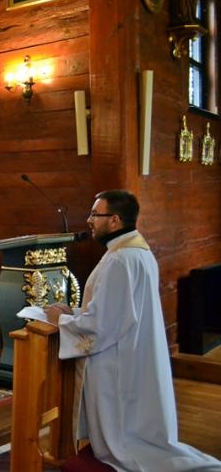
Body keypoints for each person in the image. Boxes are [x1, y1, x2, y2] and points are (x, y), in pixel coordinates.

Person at [44, 190, 221, 471]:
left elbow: (102, 325)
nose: (89, 220)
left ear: (114, 220)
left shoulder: (119, 260)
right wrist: (75, 313)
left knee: (123, 442)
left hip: (116, 360)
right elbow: (117, 310)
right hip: (133, 350)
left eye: (95, 214)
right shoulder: (136, 251)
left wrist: (61, 320)